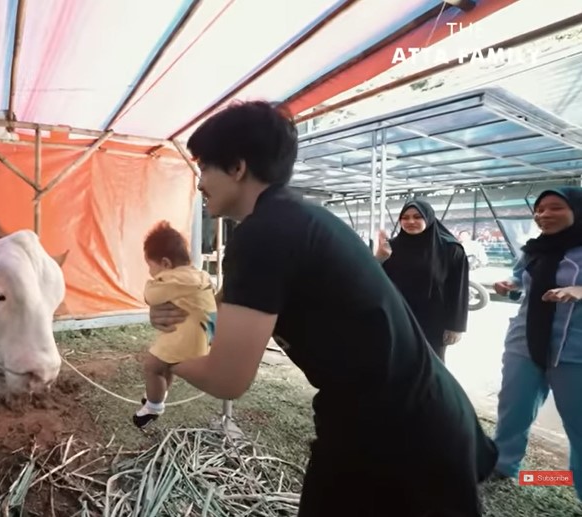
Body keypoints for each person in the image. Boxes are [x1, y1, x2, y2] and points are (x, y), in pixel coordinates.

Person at [149, 100, 498, 516]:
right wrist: (185, 317)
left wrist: (161, 359)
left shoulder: (265, 234)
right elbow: (220, 311)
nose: (200, 183)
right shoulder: (293, 219)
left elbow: (228, 380)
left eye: (205, 167)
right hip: (402, 417)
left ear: (238, 167)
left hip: (399, 433)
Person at [490, 187, 582, 502]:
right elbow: (520, 281)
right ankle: (504, 466)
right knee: (512, 409)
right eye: (539, 211)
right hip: (524, 343)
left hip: (574, 350)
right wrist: (510, 285)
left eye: (555, 208)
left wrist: (579, 291)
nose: (544, 215)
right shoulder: (534, 249)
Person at [133, 220, 217, 429]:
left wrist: (150, 287)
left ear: (165, 263)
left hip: (186, 340)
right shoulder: (199, 274)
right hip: (204, 336)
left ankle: (153, 407)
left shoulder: (172, 279)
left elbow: (151, 295)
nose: (151, 273)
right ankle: (158, 395)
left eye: (150, 266)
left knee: (153, 367)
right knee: (165, 367)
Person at [375, 200, 470, 362]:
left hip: (433, 322)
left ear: (428, 218)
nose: (410, 221)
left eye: (417, 217)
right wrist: (379, 259)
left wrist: (456, 326)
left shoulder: (451, 249)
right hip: (398, 318)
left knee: (431, 366)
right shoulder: (390, 248)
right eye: (405, 217)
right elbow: (375, 283)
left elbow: (459, 289)